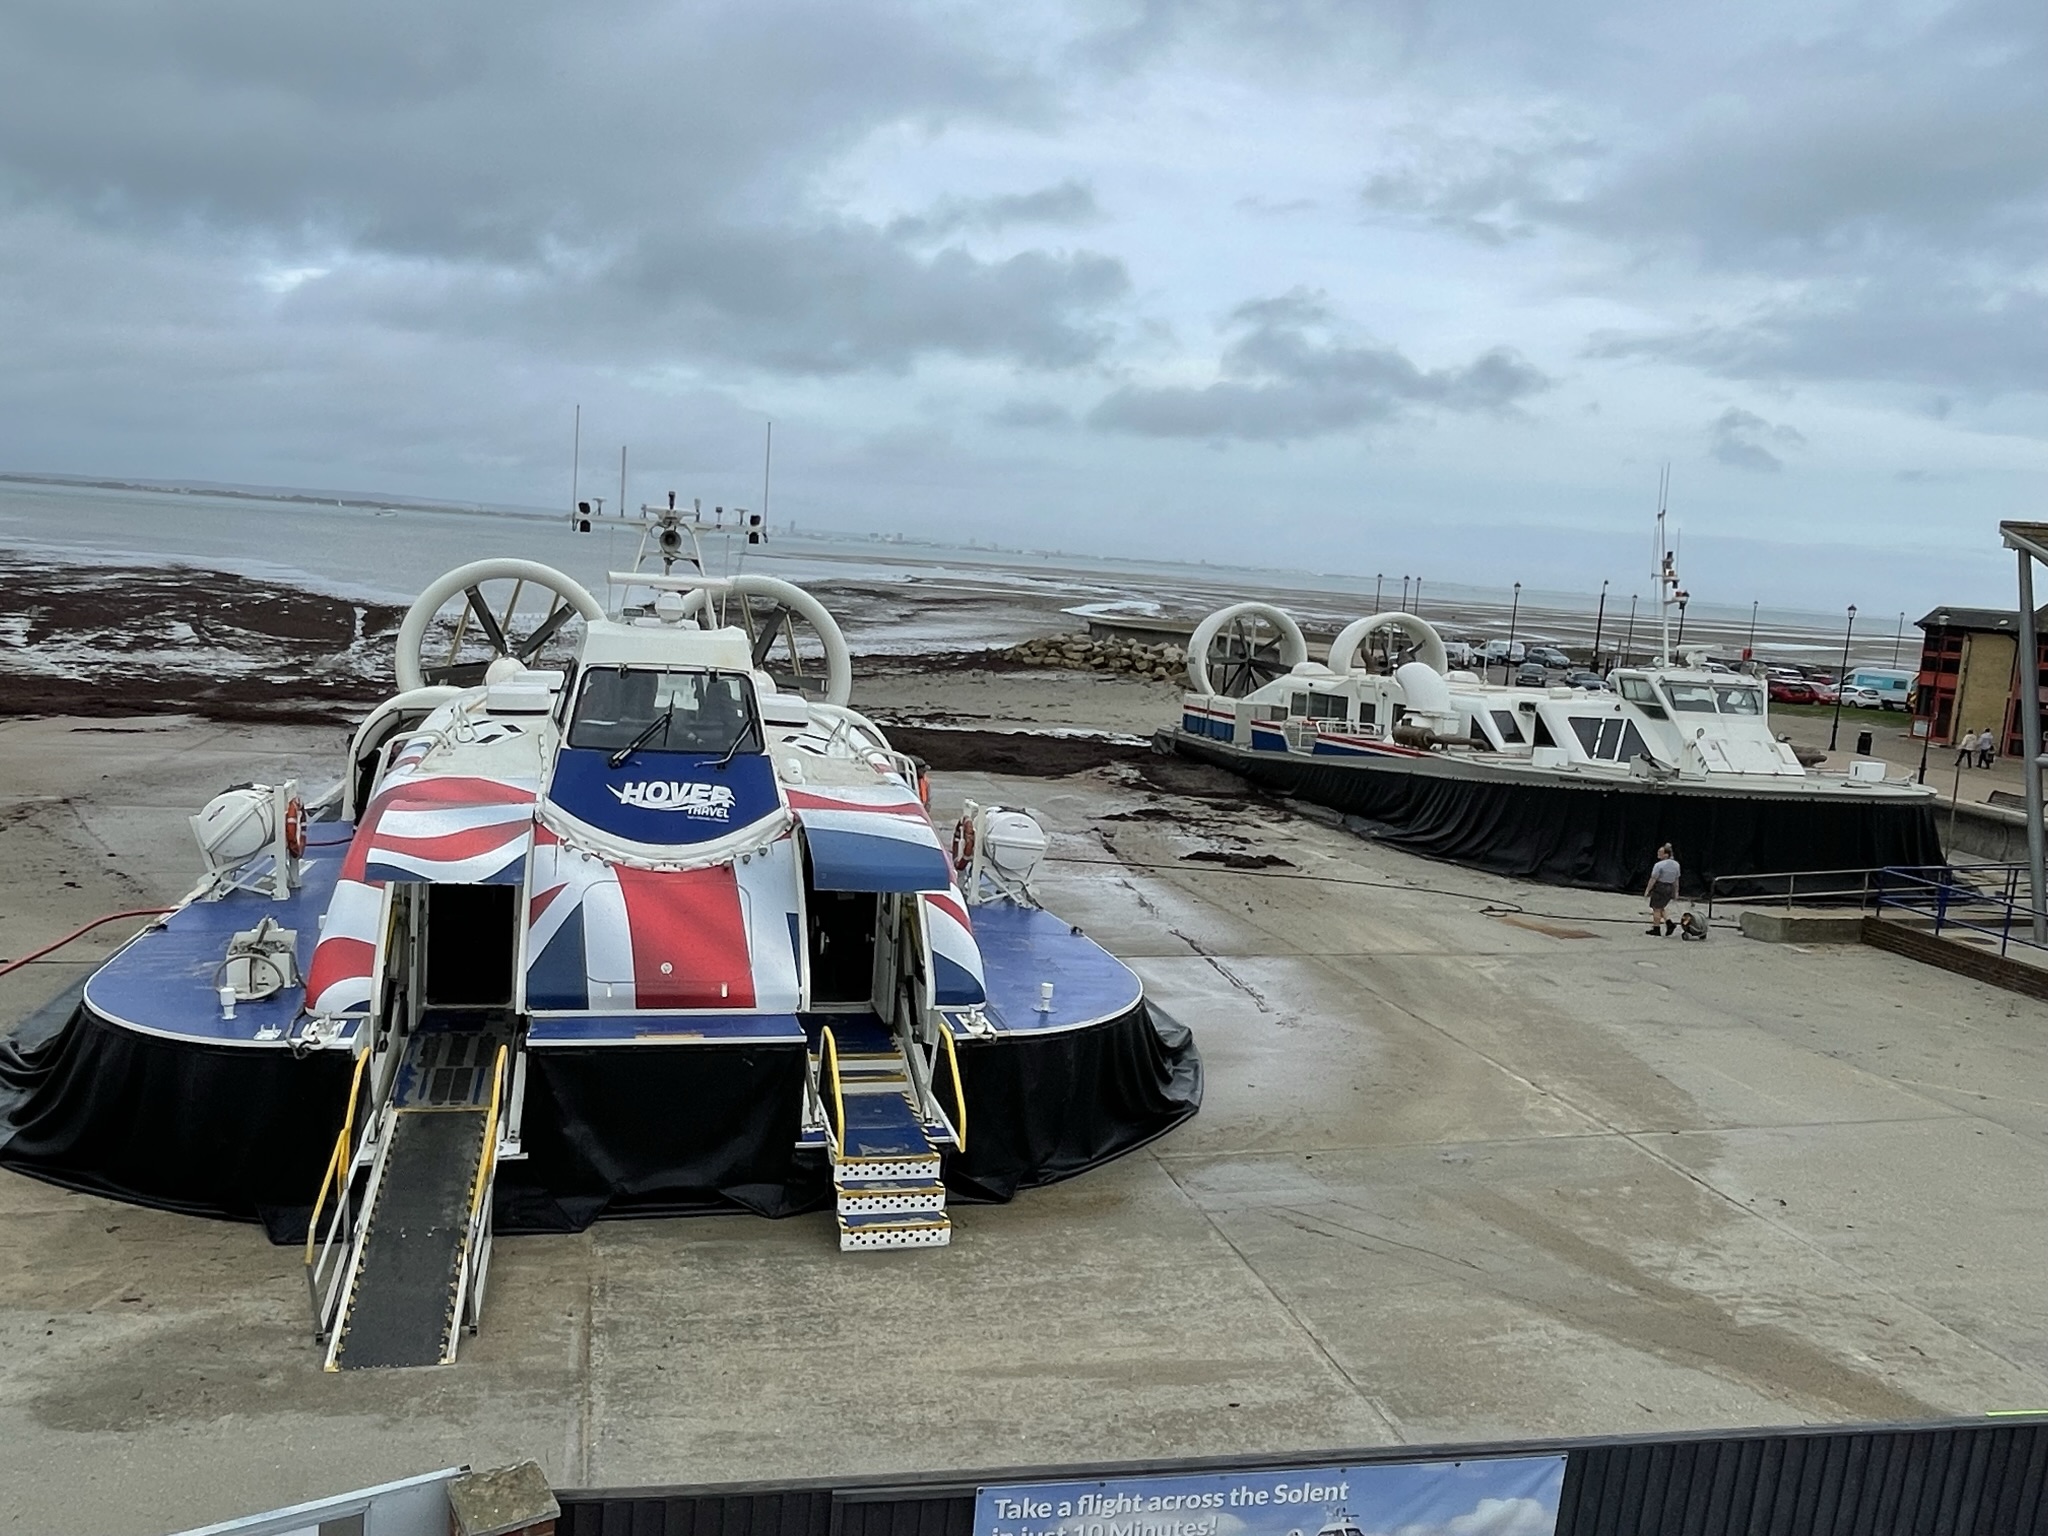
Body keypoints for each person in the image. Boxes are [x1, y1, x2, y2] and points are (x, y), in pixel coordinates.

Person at [1645, 843, 1680, 936]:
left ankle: (1656, 928)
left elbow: (1653, 878)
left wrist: (1648, 890)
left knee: (1656, 908)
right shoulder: (1676, 865)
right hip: (1669, 887)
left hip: (1660, 887)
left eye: (1660, 852)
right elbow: (1676, 880)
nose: (1658, 854)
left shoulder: (1659, 865)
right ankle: (1669, 923)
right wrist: (1676, 892)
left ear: (1666, 854)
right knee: (1661, 907)